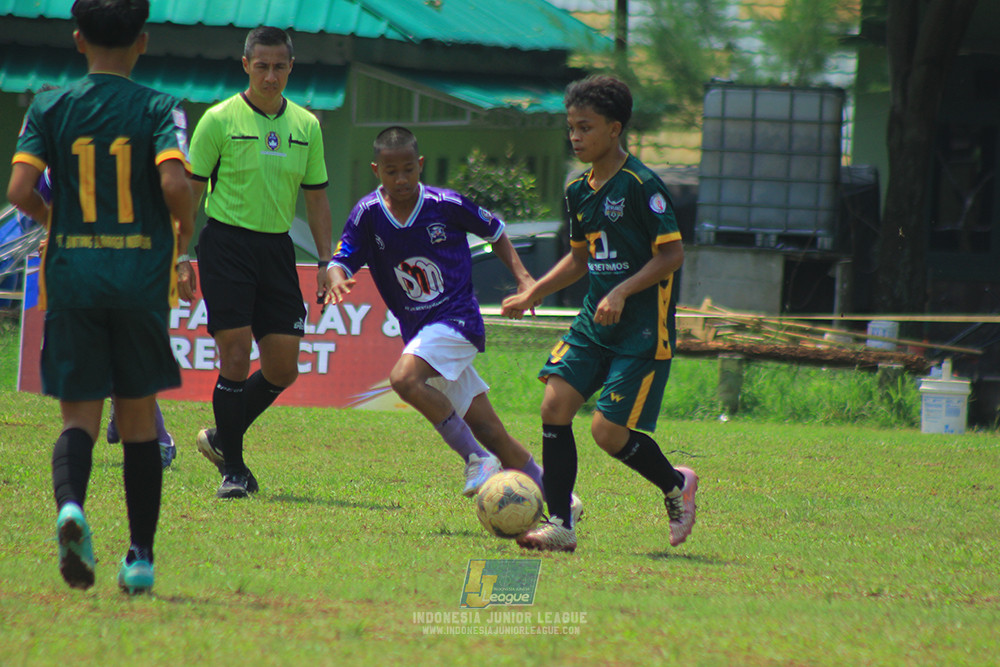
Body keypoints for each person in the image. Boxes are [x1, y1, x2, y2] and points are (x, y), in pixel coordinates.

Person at [6, 0, 195, 592]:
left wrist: (54, 214)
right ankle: (139, 557)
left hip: (72, 279)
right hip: (139, 279)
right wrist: (183, 241)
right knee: (137, 419)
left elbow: (18, 189)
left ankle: (70, 507)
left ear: (78, 40)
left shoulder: (48, 105)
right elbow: (173, 182)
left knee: (78, 417)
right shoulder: (161, 108)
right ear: (142, 41)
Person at [501, 75, 697, 553]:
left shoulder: (642, 186)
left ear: (615, 129)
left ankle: (676, 485)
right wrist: (535, 291)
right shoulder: (577, 190)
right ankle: (562, 524)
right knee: (555, 404)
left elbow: (672, 255)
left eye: (585, 127)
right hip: (596, 320)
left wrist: (623, 292)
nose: (575, 137)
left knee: (607, 433)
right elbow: (581, 258)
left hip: (642, 329)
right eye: (570, 127)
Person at [325, 126, 572, 504]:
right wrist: (336, 278)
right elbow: (340, 260)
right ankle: (558, 497)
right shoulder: (368, 215)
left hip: (457, 321)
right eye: (391, 172)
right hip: (422, 334)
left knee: (404, 379)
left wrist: (524, 278)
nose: (401, 178)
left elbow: (496, 231)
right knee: (490, 429)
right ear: (377, 170)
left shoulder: (446, 203)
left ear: (420, 164)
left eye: (409, 169)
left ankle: (476, 459)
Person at [187, 26, 333, 499]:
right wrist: (179, 255)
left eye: (280, 66)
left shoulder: (306, 127)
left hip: (277, 250)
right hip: (225, 244)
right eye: (262, 65)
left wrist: (329, 261)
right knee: (233, 355)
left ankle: (217, 437)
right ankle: (234, 469)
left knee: (283, 368)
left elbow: (317, 202)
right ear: (246, 65)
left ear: (291, 67)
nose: (271, 76)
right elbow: (189, 195)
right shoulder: (217, 120)